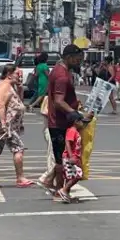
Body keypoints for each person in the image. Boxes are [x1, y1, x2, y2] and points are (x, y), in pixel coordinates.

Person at [40, 44, 84, 197]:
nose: (79, 62)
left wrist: (74, 105)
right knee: (62, 159)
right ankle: (59, 189)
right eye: (78, 59)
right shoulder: (62, 76)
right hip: (59, 123)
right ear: (69, 58)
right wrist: (74, 113)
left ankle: (53, 184)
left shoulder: (59, 71)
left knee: (61, 157)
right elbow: (59, 101)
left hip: (59, 121)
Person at [0, 63, 33, 188]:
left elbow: (18, 101)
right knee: (18, 148)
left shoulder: (10, 86)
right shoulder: (4, 86)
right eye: (17, 74)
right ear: (9, 74)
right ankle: (20, 178)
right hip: (6, 124)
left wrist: (20, 89)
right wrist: (4, 123)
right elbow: (0, 104)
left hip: (7, 124)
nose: (20, 77)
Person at [55, 115, 89, 204]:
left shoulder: (76, 131)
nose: (83, 124)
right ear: (76, 122)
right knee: (78, 175)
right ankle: (64, 190)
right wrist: (71, 157)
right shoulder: (71, 131)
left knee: (70, 176)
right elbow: (68, 143)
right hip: (69, 158)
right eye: (82, 121)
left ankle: (66, 194)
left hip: (75, 157)